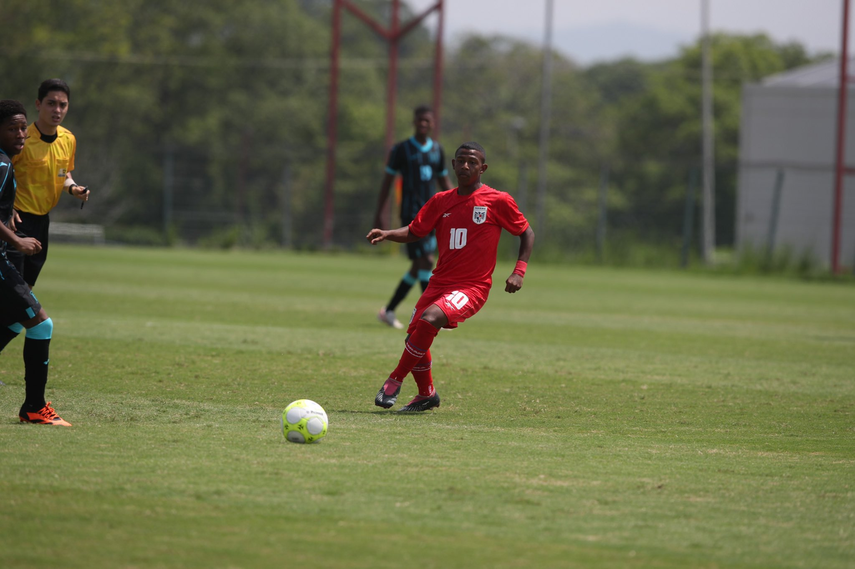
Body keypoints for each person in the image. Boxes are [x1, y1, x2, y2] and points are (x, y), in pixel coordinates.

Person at [367, 141, 535, 412]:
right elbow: (415, 230)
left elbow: (526, 232)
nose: (465, 166)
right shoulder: (441, 200)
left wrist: (519, 271)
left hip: (472, 287)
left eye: (472, 162)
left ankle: (394, 380)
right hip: (439, 283)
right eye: (461, 161)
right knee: (413, 337)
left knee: (429, 318)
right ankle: (426, 394)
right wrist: (388, 234)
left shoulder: (498, 200)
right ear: (453, 165)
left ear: (483, 168)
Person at [0, 99, 70, 426]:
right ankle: (33, 407)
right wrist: (16, 239)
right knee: (41, 323)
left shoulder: (4, 163)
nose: (20, 135)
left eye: (21, 128)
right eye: (12, 128)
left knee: (17, 319)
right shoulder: (2, 165)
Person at [374, 105, 452, 329]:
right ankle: (432, 314)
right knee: (426, 261)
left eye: (427, 120)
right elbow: (387, 183)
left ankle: (388, 311)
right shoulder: (401, 149)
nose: (423, 124)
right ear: (414, 122)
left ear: (433, 123)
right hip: (411, 215)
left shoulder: (437, 150)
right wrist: (379, 213)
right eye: (420, 120)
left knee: (419, 266)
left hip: (432, 214)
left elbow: (444, 182)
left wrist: (464, 203)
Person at [7, 78, 88, 288]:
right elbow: (4, 174)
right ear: (38, 104)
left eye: (63, 105)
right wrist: (8, 208)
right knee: (14, 291)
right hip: (17, 221)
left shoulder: (68, 139)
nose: (57, 110)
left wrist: (73, 188)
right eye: (51, 103)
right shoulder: (22, 139)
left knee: (27, 287)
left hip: (42, 222)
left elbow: (63, 173)